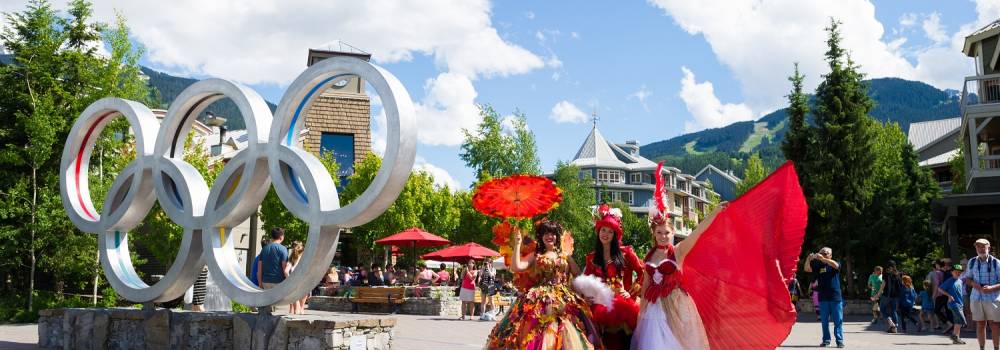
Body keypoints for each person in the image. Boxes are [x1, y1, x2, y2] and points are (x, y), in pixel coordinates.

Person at [486, 219, 601, 349]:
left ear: (557, 236)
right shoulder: (536, 255)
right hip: (539, 299)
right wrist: (518, 244)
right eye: (546, 233)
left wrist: (586, 294)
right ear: (541, 236)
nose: (549, 236)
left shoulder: (565, 256)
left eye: (552, 233)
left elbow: (578, 276)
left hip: (564, 300)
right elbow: (517, 267)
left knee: (566, 331)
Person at [584, 203, 644, 350]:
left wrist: (631, 292)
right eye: (603, 230)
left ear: (615, 234)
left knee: (624, 342)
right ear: (598, 231)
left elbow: (643, 272)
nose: (606, 234)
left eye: (610, 232)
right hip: (600, 304)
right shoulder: (591, 257)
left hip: (623, 304)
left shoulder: (626, 253)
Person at [962, 238, 1000, 350]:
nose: (981, 248)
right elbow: (967, 279)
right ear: (975, 248)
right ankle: (982, 348)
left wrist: (992, 288)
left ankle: (996, 348)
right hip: (976, 297)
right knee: (980, 324)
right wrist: (976, 285)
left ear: (989, 247)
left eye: (983, 246)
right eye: (978, 246)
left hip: (993, 297)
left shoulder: (996, 263)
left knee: (994, 324)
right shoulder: (972, 261)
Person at [805, 247, 845, 348]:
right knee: (824, 322)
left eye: (826, 253)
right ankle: (826, 340)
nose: (824, 254)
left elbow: (836, 265)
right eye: (822, 252)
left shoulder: (834, 263)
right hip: (823, 297)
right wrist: (808, 259)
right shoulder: (818, 266)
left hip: (835, 297)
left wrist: (823, 259)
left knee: (838, 321)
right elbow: (807, 269)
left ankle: (839, 341)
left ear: (831, 255)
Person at [939, 264, 968, 345]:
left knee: (957, 321)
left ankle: (956, 338)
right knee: (962, 320)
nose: (958, 273)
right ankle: (954, 335)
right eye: (956, 272)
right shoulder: (949, 280)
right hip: (953, 304)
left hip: (960, 303)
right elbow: (940, 289)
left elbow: (960, 293)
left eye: (959, 272)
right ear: (952, 272)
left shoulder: (960, 281)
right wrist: (949, 295)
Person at [871, 261, 903, 333]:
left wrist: (876, 296)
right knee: (893, 311)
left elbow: (882, 287)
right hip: (896, 296)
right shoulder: (899, 274)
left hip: (886, 296)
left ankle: (890, 321)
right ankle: (894, 328)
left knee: (882, 309)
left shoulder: (886, 275)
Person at [934, 258, 955, 331]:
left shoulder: (938, 273)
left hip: (941, 293)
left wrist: (934, 295)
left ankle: (949, 324)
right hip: (949, 293)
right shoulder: (949, 272)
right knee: (948, 310)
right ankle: (951, 326)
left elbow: (937, 285)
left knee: (937, 310)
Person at [285, 241, 305, 314]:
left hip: (293, 283)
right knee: (300, 308)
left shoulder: (291, 259)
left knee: (294, 307)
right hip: (303, 281)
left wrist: (289, 280)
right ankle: (301, 310)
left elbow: (286, 271)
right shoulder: (305, 259)